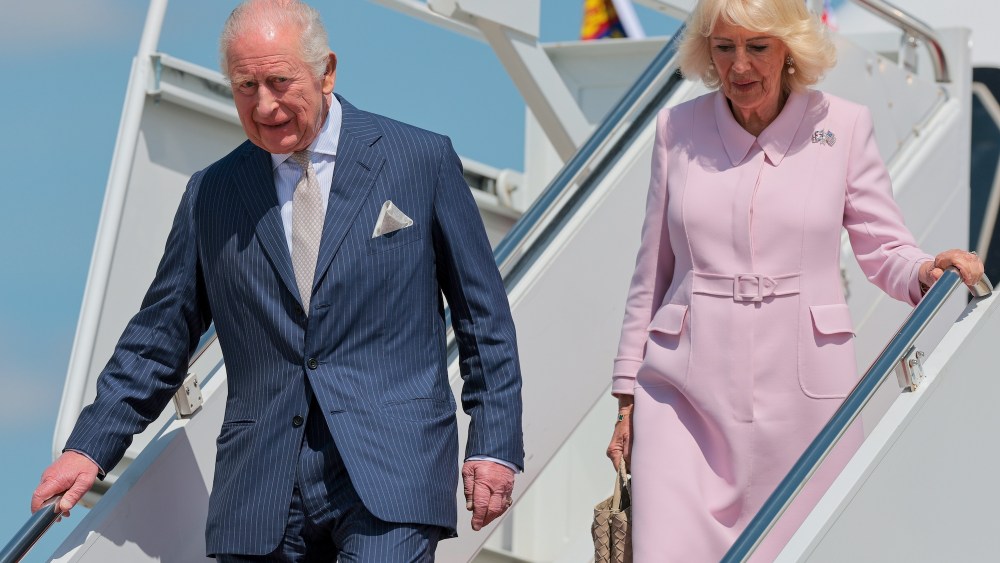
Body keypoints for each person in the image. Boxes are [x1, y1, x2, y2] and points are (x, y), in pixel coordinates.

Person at [31, 0, 524, 560]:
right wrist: (89, 447)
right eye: (246, 86)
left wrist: (495, 443)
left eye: (279, 81)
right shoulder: (211, 194)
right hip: (262, 488)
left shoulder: (420, 161)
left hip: (392, 469)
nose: (264, 105)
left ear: (327, 71)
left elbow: (484, 321)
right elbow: (159, 338)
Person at [604, 0, 984, 559]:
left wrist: (925, 269)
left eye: (757, 47)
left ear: (789, 50)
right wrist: (626, 397)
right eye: (724, 47)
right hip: (681, 396)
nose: (738, 66)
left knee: (808, 549)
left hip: (806, 396)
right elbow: (652, 271)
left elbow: (884, 247)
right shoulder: (675, 130)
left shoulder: (843, 126)